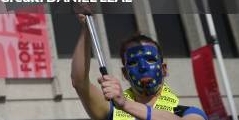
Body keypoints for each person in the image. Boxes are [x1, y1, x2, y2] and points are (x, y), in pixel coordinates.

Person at [71, 9, 207, 120]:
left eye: (150, 60)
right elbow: (79, 82)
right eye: (133, 62)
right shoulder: (112, 112)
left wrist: (125, 104)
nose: (143, 67)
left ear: (164, 69)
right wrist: (86, 28)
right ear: (125, 74)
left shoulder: (189, 113)